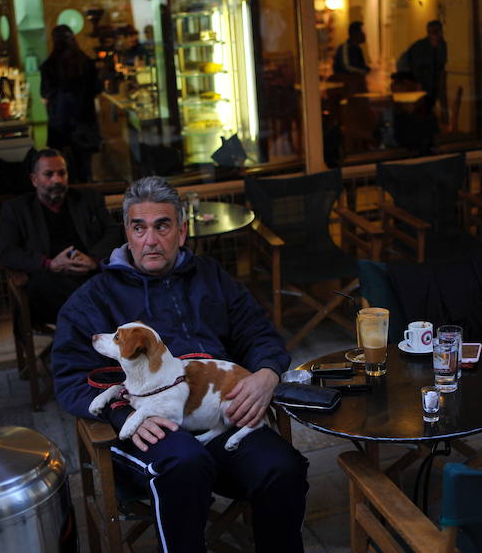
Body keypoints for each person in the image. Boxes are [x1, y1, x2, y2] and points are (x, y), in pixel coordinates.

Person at [52, 176, 308, 553]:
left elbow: (259, 333)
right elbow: (70, 377)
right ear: (126, 232)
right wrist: (122, 414)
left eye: (162, 226)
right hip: (151, 428)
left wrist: (267, 374)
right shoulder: (94, 298)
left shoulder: (210, 276)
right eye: (138, 228)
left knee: (282, 468)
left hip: (217, 416)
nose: (150, 240)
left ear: (182, 231)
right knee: (184, 467)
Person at [0, 149, 120, 325]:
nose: (57, 180)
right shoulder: (16, 209)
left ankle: (88, 335)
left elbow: (113, 232)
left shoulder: (89, 199)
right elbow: (7, 253)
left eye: (62, 173)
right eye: (49, 174)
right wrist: (50, 264)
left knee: (114, 279)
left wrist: (93, 259)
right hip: (49, 283)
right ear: (34, 179)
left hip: (89, 274)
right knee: (46, 285)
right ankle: (92, 332)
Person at [40, 25, 101, 184]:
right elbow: (96, 89)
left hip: (60, 123)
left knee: (63, 168)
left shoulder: (49, 66)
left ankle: (70, 201)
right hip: (84, 120)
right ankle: (87, 197)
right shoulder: (86, 63)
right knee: (85, 168)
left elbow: (45, 94)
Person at [397, 19, 448, 121]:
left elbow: (441, 67)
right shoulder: (419, 47)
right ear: (428, 33)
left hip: (434, 85)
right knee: (421, 113)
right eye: (433, 32)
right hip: (421, 86)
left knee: (428, 112)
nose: (436, 35)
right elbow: (403, 63)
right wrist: (412, 82)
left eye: (438, 32)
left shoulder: (442, 45)